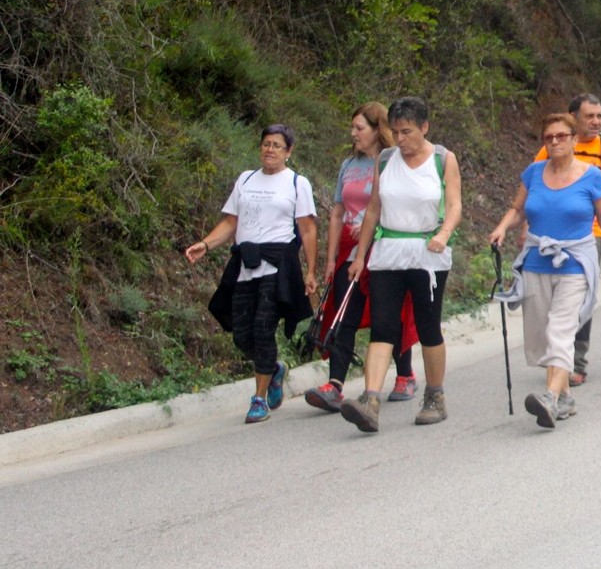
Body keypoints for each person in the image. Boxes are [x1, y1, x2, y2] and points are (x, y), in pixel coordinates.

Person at [489, 113, 601, 428]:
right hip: (536, 261)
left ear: (573, 139)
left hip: (576, 262)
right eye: (549, 137)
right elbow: (518, 209)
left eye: (561, 136)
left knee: (561, 331)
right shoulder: (533, 172)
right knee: (543, 336)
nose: (555, 142)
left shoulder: (593, 177)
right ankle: (565, 397)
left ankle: (550, 398)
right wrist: (502, 227)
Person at [339, 97, 462, 433]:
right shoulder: (385, 159)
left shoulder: (442, 159)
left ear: (425, 127)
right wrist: (360, 256)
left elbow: (454, 205)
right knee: (382, 327)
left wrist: (444, 233)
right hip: (388, 253)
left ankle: (435, 396)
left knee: (428, 327)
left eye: (407, 131)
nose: (400, 139)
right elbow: (374, 209)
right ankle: (370, 400)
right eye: (395, 132)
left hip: (427, 254)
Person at [186, 124, 317, 424]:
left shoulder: (297, 183)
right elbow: (231, 222)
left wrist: (311, 271)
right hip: (245, 263)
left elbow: (308, 229)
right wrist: (205, 244)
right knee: (242, 335)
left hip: (277, 266)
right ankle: (274, 369)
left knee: (263, 329)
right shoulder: (246, 179)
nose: (270, 150)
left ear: (289, 151)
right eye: (266, 144)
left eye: (277, 145)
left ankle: (259, 399)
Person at [304, 103, 422, 412]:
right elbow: (337, 213)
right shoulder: (348, 165)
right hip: (350, 249)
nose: (353, 133)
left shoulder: (394, 162)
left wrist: (373, 227)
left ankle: (405, 374)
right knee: (344, 312)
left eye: (359, 128)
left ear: (376, 130)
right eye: (352, 127)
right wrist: (330, 259)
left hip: (384, 247)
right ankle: (335, 384)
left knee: (389, 312)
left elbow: (403, 204)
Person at [534, 93, 601, 386]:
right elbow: (535, 185)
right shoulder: (552, 146)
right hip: (552, 233)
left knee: (579, 296)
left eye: (599, 116)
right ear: (573, 118)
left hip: (592, 235)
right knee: (553, 298)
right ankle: (557, 356)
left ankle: (576, 362)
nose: (596, 122)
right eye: (590, 116)